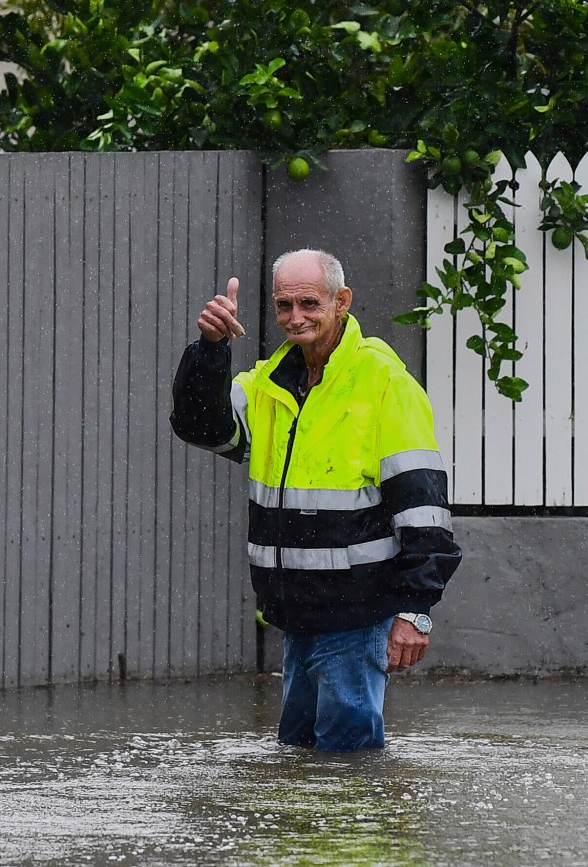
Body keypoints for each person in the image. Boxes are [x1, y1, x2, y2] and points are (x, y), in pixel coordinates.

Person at [167, 248, 461, 751]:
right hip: (297, 613)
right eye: (285, 305)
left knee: (345, 770)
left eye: (309, 303)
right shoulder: (270, 382)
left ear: (342, 301)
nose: (295, 317)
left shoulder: (384, 383)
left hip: (356, 614)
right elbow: (200, 425)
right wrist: (211, 349)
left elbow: (423, 505)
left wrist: (416, 609)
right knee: (303, 764)